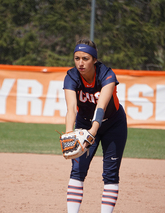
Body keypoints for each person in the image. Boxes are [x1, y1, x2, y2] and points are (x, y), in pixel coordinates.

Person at [63, 38, 127, 213]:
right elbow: (70, 109)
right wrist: (70, 134)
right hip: (84, 124)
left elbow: (101, 107)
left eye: (85, 58)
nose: (81, 63)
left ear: (95, 60)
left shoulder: (107, 75)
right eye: (77, 58)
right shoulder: (71, 77)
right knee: (77, 170)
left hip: (113, 124)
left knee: (110, 174)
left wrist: (93, 131)